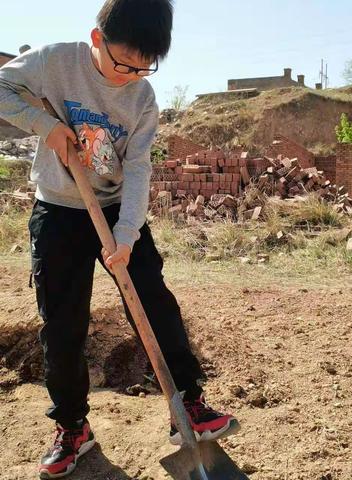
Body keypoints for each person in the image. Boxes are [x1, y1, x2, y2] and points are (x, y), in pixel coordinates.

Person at [0, 1, 239, 478]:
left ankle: (187, 405)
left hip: (114, 209)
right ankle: (72, 426)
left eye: (143, 67)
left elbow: (137, 169)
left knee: (154, 303)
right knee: (63, 322)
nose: (130, 76)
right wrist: (46, 127)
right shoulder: (54, 62)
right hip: (59, 210)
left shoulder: (142, 99)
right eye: (122, 64)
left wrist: (126, 236)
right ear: (96, 40)